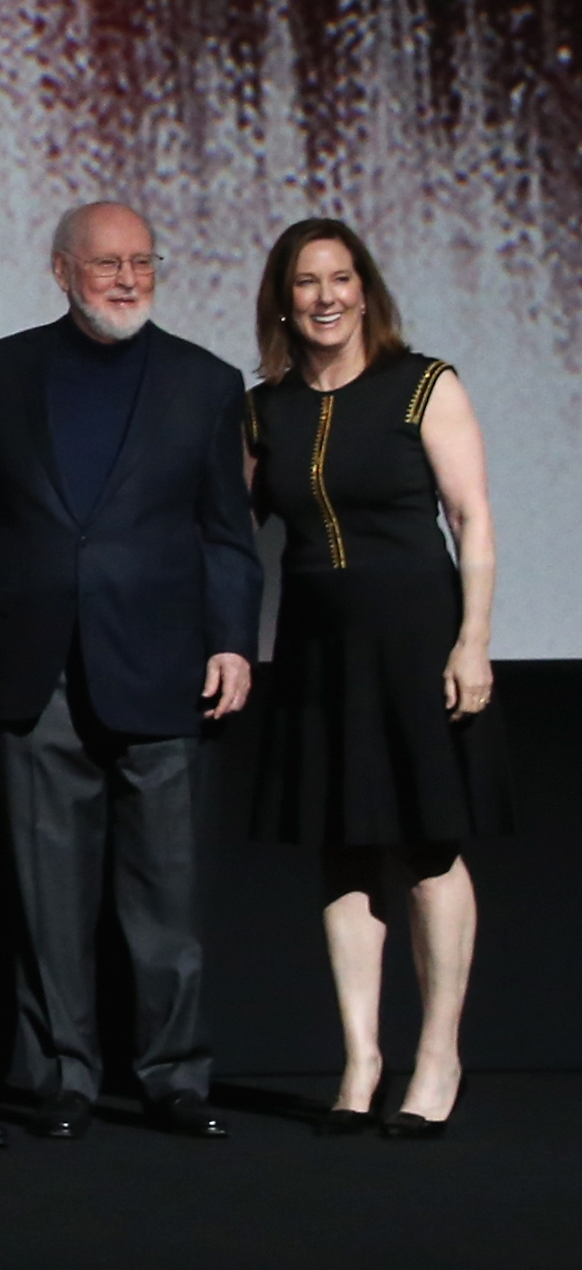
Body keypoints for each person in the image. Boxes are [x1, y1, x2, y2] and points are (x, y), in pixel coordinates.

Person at [0, 201, 261, 1141]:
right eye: (105, 264)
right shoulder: (3, 367)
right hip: (37, 663)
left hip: (165, 666)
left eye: (141, 262)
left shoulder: (205, 382)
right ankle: (62, 1076)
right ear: (61, 271)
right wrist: (41, 540)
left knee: (166, 893)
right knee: (46, 896)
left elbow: (226, 529)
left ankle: (173, 1075)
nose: (127, 279)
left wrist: (232, 639)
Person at [243, 217, 504, 1138]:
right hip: (318, 646)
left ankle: (437, 1055)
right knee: (343, 848)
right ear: (283, 300)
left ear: (364, 290)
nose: (325, 296)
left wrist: (472, 641)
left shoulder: (421, 383)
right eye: (305, 282)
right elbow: (224, 528)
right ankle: (360, 1059)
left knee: (428, 847)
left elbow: (471, 518)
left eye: (340, 278)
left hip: (417, 637)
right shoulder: (263, 408)